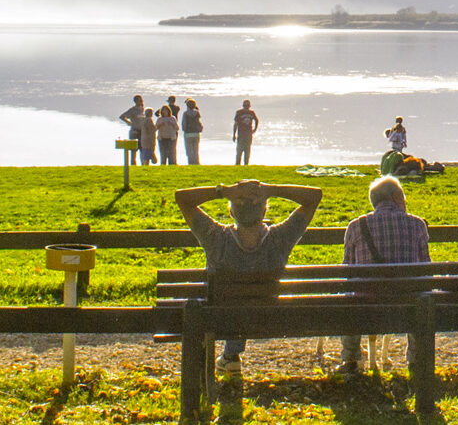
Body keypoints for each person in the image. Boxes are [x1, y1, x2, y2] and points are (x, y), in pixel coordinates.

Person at [175, 180, 323, 375]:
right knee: (243, 304)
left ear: (231, 213)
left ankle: (230, 357)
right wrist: (273, 189)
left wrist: (224, 191)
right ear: (264, 213)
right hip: (267, 317)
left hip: (219, 318)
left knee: (233, 304)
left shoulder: (215, 238)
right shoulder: (280, 239)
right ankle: (231, 355)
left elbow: (182, 198)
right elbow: (314, 197)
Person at [337, 176, 430, 374]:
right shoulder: (417, 224)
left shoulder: (356, 226)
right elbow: (425, 270)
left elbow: (347, 272)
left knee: (349, 298)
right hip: (408, 305)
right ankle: (417, 360)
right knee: (421, 294)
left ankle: (351, 358)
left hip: (367, 305)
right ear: (397, 197)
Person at [119, 95, 144, 166]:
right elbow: (122, 117)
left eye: (141, 100)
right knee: (133, 150)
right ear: (135, 101)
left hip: (142, 132)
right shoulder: (132, 110)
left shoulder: (143, 109)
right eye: (139, 100)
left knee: (142, 149)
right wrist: (129, 123)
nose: (141, 101)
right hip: (134, 132)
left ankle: (143, 164)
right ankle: (133, 164)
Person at [233, 99, 260, 165]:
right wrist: (234, 134)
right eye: (246, 105)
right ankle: (238, 164)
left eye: (247, 105)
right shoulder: (239, 112)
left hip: (248, 134)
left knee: (247, 151)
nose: (246, 107)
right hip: (241, 134)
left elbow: (257, 121)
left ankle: (246, 164)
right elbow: (236, 124)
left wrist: (254, 129)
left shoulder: (252, 113)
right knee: (240, 151)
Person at [180, 98, 203, 165]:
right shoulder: (197, 113)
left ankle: (191, 162)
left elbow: (183, 124)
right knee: (195, 149)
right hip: (196, 133)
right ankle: (196, 162)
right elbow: (198, 122)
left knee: (189, 150)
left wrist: (184, 130)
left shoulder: (185, 113)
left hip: (188, 134)